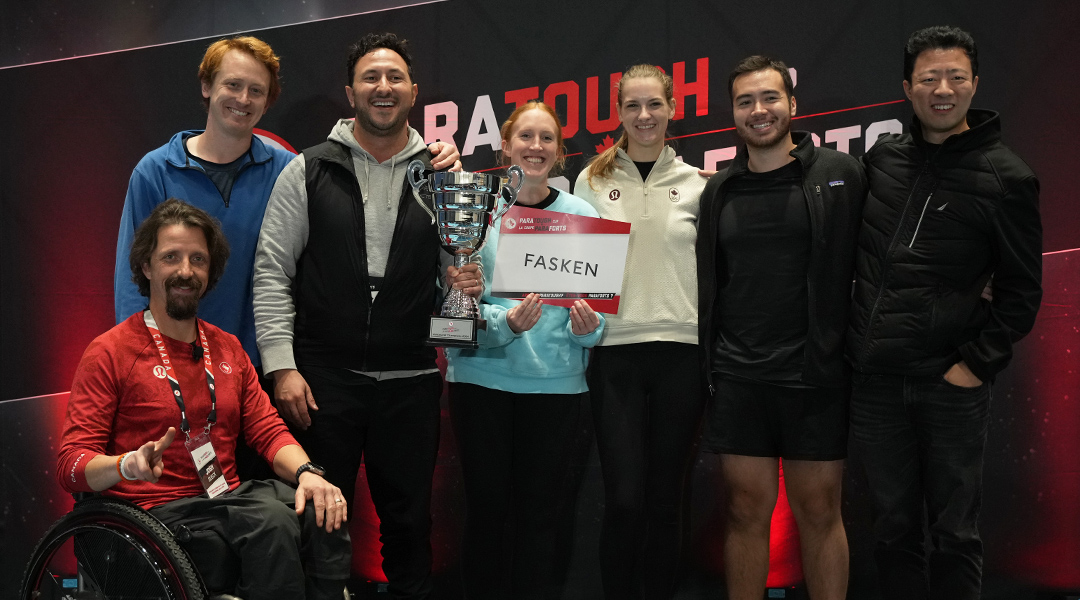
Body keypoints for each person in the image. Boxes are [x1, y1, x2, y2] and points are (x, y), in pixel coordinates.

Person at [253, 32, 475, 599]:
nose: (383, 87)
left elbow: (460, 274)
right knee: (317, 526)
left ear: (414, 92)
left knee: (409, 527)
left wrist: (462, 287)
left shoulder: (445, 176)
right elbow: (273, 272)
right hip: (322, 384)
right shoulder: (306, 171)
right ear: (349, 92)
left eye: (395, 78)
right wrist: (281, 367)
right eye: (371, 78)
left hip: (410, 382)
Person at [58, 199, 351, 600]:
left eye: (198, 259)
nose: (185, 270)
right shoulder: (110, 352)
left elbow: (268, 431)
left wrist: (308, 474)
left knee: (320, 506)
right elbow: (71, 465)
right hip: (150, 515)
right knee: (270, 521)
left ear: (210, 272)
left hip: (224, 501)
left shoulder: (227, 348)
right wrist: (128, 464)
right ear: (146, 266)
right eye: (171, 257)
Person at [113, 36, 458, 369]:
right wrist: (140, 359)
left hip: (259, 366)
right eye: (232, 85)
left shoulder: (290, 169)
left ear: (268, 101)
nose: (243, 99)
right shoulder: (155, 171)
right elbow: (133, 279)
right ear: (207, 86)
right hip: (173, 361)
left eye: (256, 90)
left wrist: (437, 157)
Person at [847, 26, 1042, 600]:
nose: (942, 89)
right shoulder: (882, 158)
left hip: (950, 385)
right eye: (929, 78)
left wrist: (975, 365)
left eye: (956, 77)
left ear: (975, 84)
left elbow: (1022, 291)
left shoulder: (1008, 176)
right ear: (907, 88)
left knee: (956, 533)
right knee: (890, 531)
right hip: (877, 382)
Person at [696, 56, 866, 600]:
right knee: (745, 512)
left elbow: (885, 253)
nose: (759, 110)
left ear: (792, 104)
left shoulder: (841, 175)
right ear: (734, 115)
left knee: (820, 511)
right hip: (739, 375)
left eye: (769, 98)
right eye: (745, 101)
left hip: (815, 375)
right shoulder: (718, 190)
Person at [444, 101, 604, 599]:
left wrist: (587, 328)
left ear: (559, 151)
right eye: (526, 137)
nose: (536, 148)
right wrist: (503, 322)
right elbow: (453, 306)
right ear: (505, 145)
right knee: (486, 515)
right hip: (481, 384)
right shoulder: (476, 210)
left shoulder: (582, 215)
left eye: (547, 139)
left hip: (556, 389)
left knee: (542, 519)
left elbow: (598, 321)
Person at [572, 63, 708, 599]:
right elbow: (574, 266)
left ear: (673, 107)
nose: (644, 116)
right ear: (619, 111)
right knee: (624, 499)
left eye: (654, 105)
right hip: (615, 355)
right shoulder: (592, 180)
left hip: (682, 354)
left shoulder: (699, 184)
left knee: (664, 498)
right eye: (633, 105)